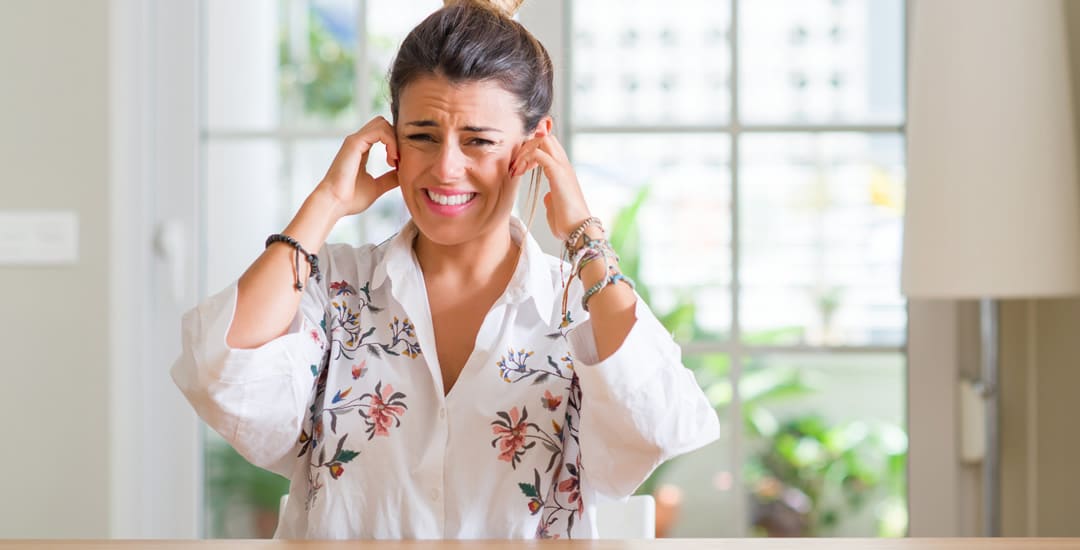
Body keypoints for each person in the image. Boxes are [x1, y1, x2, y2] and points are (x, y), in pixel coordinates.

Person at [172, 0, 719, 539]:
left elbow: (661, 426)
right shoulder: (331, 288)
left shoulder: (579, 304)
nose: (446, 168)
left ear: (534, 144)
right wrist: (328, 200)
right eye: (422, 136)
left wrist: (583, 233)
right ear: (391, 140)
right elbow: (218, 371)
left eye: (478, 140)